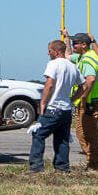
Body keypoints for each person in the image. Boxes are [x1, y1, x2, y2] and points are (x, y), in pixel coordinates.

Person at [27, 39, 81, 173]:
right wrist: (72, 100)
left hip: (53, 107)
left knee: (38, 133)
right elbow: (83, 86)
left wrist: (43, 102)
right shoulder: (72, 66)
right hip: (66, 109)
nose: (48, 53)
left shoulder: (53, 64)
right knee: (62, 138)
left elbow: (50, 84)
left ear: (56, 52)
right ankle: (62, 167)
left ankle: (36, 167)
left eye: (50, 50)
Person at [68, 33, 98, 171]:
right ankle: (93, 161)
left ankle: (95, 164)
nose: (73, 46)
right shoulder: (82, 57)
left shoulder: (88, 59)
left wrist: (83, 97)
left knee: (89, 134)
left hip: (90, 103)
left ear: (84, 45)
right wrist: (66, 38)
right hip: (86, 102)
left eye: (75, 43)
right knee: (82, 133)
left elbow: (90, 80)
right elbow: (67, 55)